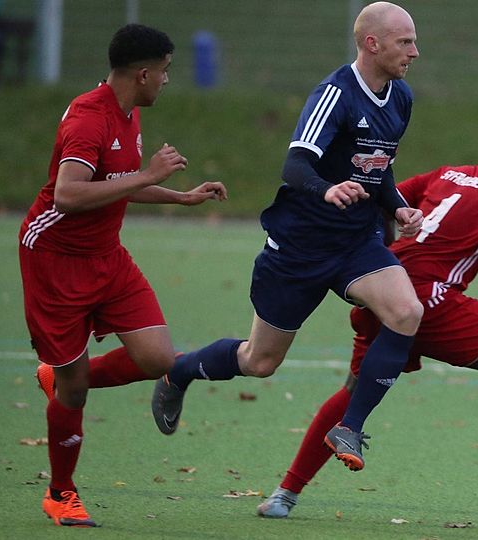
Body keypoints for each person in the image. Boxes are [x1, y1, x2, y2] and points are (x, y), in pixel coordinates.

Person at [256, 117, 478, 530]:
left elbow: (380, 199)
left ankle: (284, 494)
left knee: (355, 389)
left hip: (383, 289)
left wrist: (385, 247)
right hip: (429, 301)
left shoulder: (447, 174)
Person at [151, 1, 424, 472]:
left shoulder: (400, 98)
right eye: (405, 42)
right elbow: (296, 164)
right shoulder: (334, 94)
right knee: (259, 361)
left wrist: (397, 205)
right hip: (300, 246)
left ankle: (349, 427)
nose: (414, 52)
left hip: (356, 243)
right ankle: (179, 371)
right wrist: (327, 189)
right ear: (372, 43)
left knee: (407, 312)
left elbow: (378, 166)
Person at [22, 24, 227, 527]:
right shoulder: (88, 119)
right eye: (165, 71)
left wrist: (179, 196)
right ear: (143, 73)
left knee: (157, 358)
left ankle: (59, 377)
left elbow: (116, 183)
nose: (167, 80)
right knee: (75, 391)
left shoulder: (128, 111)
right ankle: (61, 493)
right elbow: (69, 195)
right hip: (55, 260)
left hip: (107, 257)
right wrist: (150, 175)